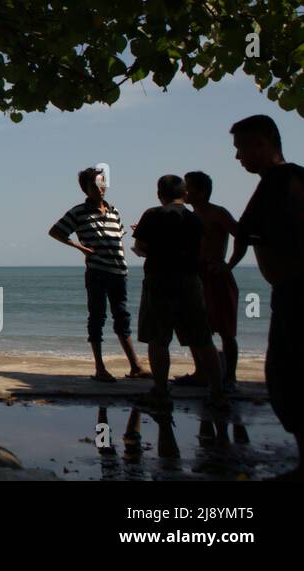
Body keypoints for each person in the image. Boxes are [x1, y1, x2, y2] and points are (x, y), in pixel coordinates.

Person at [230, 114, 304, 477]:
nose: (238, 157)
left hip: (295, 292)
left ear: (262, 143)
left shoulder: (281, 181)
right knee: (285, 376)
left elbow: (250, 232)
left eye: (241, 147)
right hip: (287, 291)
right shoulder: (288, 179)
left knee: (289, 377)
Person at [131, 174, 225, 409]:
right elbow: (202, 249)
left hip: (159, 279)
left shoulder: (152, 215)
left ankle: (161, 391)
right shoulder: (194, 219)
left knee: (158, 338)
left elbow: (141, 247)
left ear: (159, 194)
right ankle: (217, 392)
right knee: (203, 339)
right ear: (184, 194)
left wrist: (148, 251)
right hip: (190, 280)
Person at [49, 166, 148, 383]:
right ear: (85, 189)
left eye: (102, 184)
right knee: (97, 317)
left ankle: (135, 366)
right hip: (97, 272)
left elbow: (119, 239)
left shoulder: (114, 211)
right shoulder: (78, 212)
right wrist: (79, 247)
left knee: (122, 316)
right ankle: (100, 368)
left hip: (119, 271)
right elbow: (56, 231)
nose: (100, 189)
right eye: (95, 185)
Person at [178, 171, 240, 390]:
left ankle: (230, 377)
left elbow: (240, 234)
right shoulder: (187, 216)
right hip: (195, 275)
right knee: (194, 328)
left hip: (216, 275)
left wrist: (229, 264)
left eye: (189, 187)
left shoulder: (217, 213)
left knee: (225, 330)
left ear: (202, 192)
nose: (184, 191)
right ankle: (201, 373)